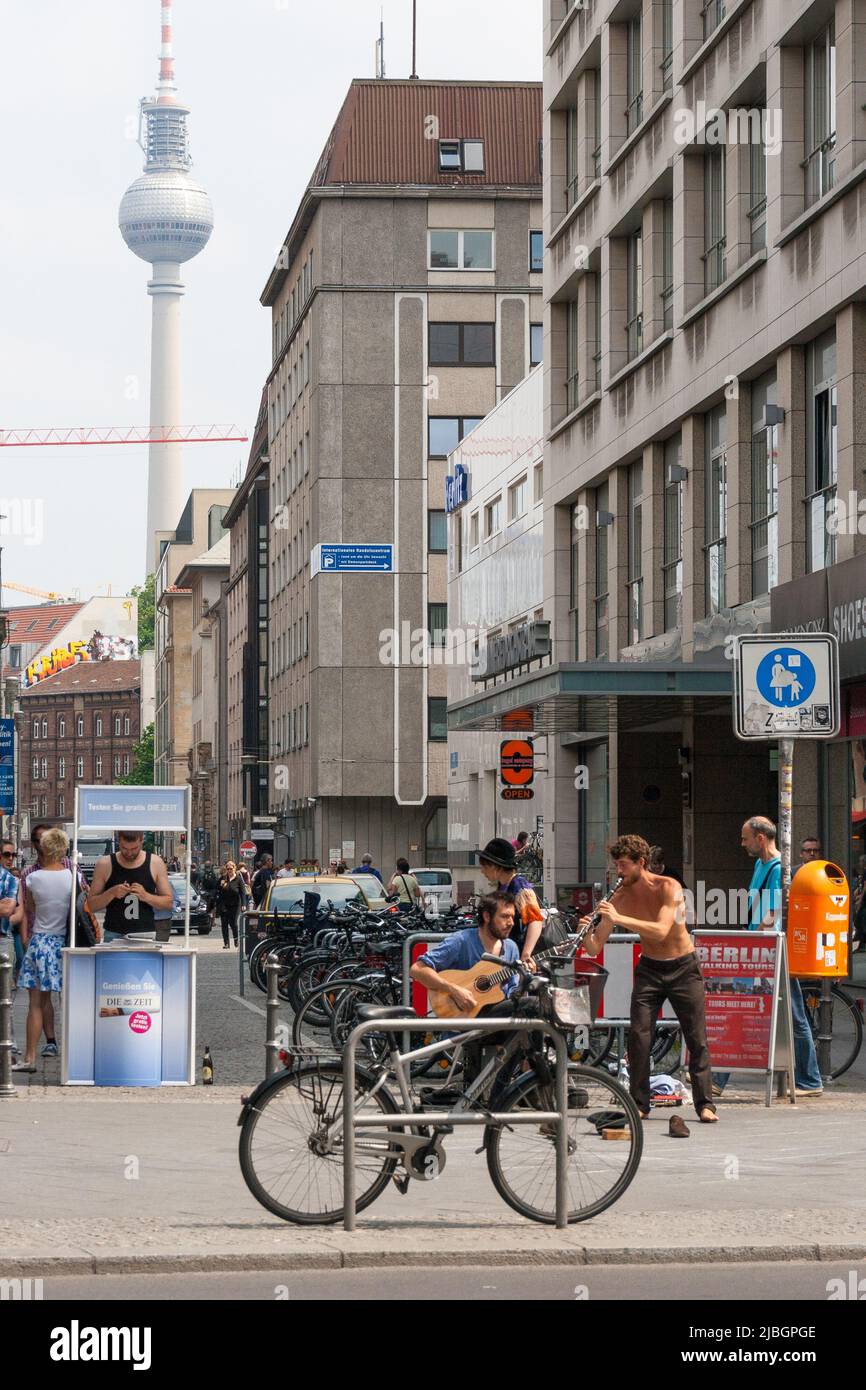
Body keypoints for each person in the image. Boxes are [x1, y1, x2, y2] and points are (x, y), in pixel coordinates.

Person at [580, 833, 718, 1123]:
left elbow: (661, 929)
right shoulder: (618, 897)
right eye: (616, 865)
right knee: (639, 1035)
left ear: (641, 863)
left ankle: (705, 1104)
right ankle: (639, 1103)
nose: (618, 871)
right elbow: (594, 947)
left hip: (683, 967)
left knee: (696, 1036)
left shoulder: (669, 887)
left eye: (623, 865)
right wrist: (587, 931)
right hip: (650, 968)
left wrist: (618, 918)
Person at [716, 816, 822, 1097]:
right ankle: (809, 1080)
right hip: (761, 950)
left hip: (768, 952)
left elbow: (772, 913)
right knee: (787, 1015)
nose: (742, 843)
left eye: (745, 838)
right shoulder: (760, 865)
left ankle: (718, 1078)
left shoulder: (777, 869)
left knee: (779, 1014)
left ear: (760, 838)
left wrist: (756, 946)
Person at [11, 828, 74, 1072]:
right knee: (67, 1001)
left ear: (44, 849)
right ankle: (72, 1057)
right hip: (64, 942)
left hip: (41, 942)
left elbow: (31, 907)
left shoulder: (33, 879)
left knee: (36, 1004)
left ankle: (29, 1057)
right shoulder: (72, 875)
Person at [87, 831, 173, 942]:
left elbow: (168, 903)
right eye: (124, 848)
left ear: (142, 840)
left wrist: (146, 896)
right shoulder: (104, 864)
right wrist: (111, 893)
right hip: (113, 933)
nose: (129, 853)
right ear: (119, 841)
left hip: (144, 934)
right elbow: (91, 906)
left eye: (134, 849)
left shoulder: (155, 863)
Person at [477, 837, 543, 962]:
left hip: (520, 958)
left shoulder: (520, 886)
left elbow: (535, 921)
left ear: (497, 867)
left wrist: (526, 954)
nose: (482, 871)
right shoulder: (503, 886)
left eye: (485, 866)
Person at [216, 861, 244, 948]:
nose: (229, 870)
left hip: (235, 905)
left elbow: (242, 892)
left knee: (234, 923)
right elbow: (217, 890)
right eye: (227, 869)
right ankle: (226, 943)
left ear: (234, 868)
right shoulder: (223, 878)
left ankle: (236, 940)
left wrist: (244, 904)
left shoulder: (238, 879)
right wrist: (221, 885)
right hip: (224, 904)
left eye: (231, 869)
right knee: (224, 924)